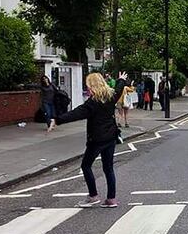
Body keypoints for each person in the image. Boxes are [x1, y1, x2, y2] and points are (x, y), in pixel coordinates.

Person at [48, 72, 128, 208]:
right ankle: (111, 199)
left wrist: (57, 120)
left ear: (92, 86)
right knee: (108, 168)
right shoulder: (111, 96)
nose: (87, 89)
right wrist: (121, 79)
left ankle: (93, 196)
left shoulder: (92, 103)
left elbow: (75, 114)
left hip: (96, 139)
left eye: (88, 86)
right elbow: (119, 88)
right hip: (110, 137)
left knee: (86, 166)